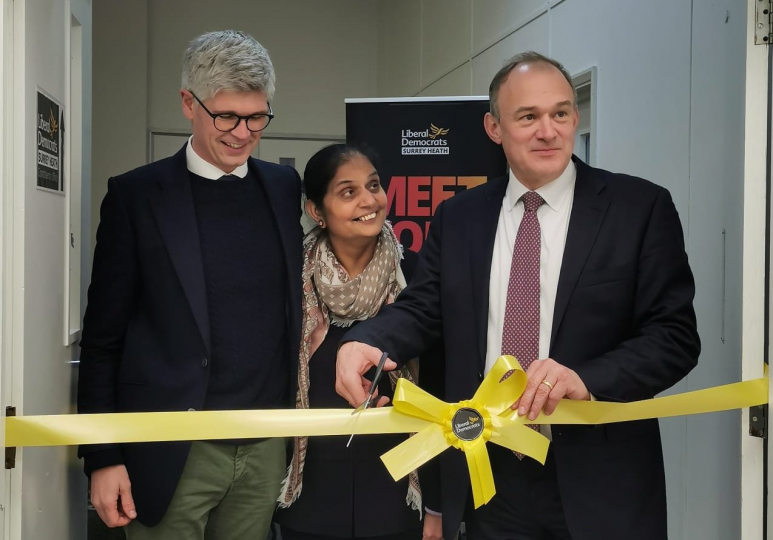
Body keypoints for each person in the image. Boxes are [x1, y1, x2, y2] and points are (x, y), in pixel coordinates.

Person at [334, 51, 700, 540]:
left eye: (561, 113)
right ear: (494, 127)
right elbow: (425, 310)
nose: (548, 131)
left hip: (601, 479)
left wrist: (585, 378)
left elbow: (674, 336)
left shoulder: (639, 208)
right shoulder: (459, 217)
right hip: (488, 475)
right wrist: (369, 339)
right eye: (528, 117)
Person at [77, 30, 302, 540]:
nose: (243, 133)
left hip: (263, 444)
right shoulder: (135, 197)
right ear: (188, 103)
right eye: (227, 116)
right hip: (170, 449)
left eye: (257, 117)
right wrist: (102, 457)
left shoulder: (284, 188)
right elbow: (103, 341)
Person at [274, 144, 425, 540]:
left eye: (373, 185)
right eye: (348, 192)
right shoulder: (288, 280)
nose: (369, 200)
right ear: (316, 211)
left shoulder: (417, 277)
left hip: (395, 499)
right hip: (309, 501)